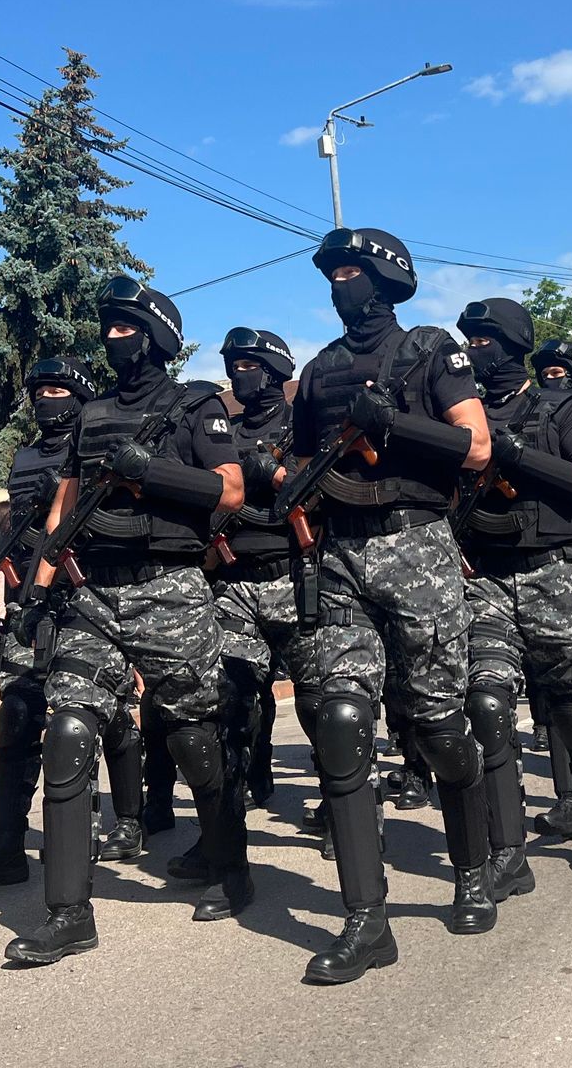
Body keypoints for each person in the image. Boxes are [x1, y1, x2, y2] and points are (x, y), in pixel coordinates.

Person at [3, 280, 247, 967]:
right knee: (67, 729)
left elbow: (231, 491)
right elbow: (64, 510)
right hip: (95, 594)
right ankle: (68, 914)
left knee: (195, 735)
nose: (113, 339)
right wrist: (37, 594)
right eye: (107, 329)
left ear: (157, 335)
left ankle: (230, 863)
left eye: (125, 328)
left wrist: (153, 472)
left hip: (169, 588)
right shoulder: (93, 414)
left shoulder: (195, 403)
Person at [288, 228, 493, 985]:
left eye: (352, 272)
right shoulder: (318, 369)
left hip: (417, 547)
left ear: (383, 280)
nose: (340, 285)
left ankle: (474, 865)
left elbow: (477, 447)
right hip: (341, 551)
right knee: (341, 720)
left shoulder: (431, 350)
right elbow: (299, 459)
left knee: (438, 725)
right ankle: (366, 921)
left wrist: (395, 426)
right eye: (333, 274)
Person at [454, 309, 572, 882]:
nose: (476, 351)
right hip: (488, 580)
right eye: (471, 341)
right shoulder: (466, 414)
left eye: (486, 341)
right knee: (486, 704)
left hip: (554, 575)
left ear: (513, 345)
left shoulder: (560, 408)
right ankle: (508, 851)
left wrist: (522, 457)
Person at [0, 355, 134, 886]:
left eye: (58, 391)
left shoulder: (95, 447)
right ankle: (6, 844)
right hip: (31, 602)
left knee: (90, 718)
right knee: (19, 715)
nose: (46, 400)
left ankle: (121, 822)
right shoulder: (23, 458)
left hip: (88, 599)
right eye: (39, 392)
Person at [201, 329, 318, 872]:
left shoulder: (301, 424)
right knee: (233, 696)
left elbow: (321, 490)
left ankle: (345, 808)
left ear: (274, 371)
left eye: (248, 365)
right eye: (233, 366)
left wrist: (273, 472)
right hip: (234, 578)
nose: (238, 375)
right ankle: (240, 797)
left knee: (320, 702)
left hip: (293, 574)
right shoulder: (221, 431)